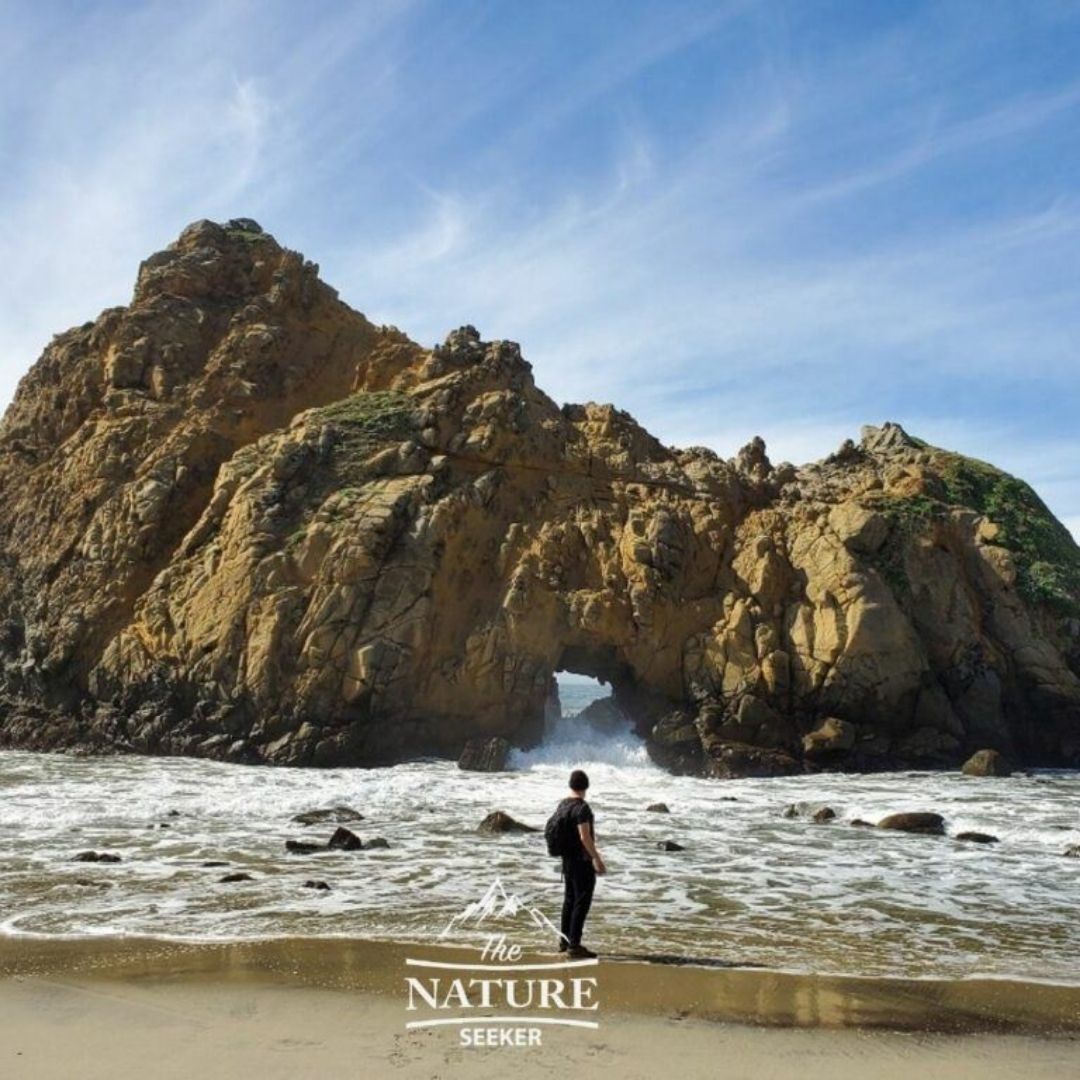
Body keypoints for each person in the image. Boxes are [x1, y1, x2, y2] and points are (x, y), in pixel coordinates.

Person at [556, 769, 606, 959]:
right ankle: (574, 945)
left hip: (567, 860)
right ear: (586, 787)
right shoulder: (582, 808)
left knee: (569, 900)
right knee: (581, 901)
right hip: (581, 861)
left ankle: (564, 941)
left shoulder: (563, 805)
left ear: (571, 785)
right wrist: (596, 858)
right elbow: (584, 837)